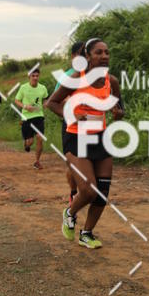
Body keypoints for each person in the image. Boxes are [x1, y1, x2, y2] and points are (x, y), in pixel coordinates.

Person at [45, 38, 124, 249]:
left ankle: (87, 233)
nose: (104, 56)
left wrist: (118, 113)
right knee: (89, 190)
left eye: (107, 52)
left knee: (102, 192)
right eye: (98, 52)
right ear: (87, 56)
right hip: (76, 137)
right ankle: (69, 213)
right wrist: (69, 114)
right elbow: (51, 103)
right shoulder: (74, 79)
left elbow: (119, 107)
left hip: (100, 137)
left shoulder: (112, 81)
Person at [55, 41, 84, 203]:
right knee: (73, 164)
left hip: (92, 126)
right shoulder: (67, 76)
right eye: (80, 54)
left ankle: (89, 192)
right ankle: (74, 192)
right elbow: (54, 103)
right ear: (73, 57)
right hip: (71, 127)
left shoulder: (97, 76)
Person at [14, 69, 49, 169]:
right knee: (30, 141)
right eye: (33, 76)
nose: (35, 78)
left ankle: (37, 161)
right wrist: (25, 106)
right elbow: (17, 100)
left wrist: (46, 103)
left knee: (40, 137)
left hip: (39, 116)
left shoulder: (43, 88)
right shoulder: (23, 87)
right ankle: (26, 144)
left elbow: (46, 98)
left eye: (37, 76)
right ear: (29, 76)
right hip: (27, 117)